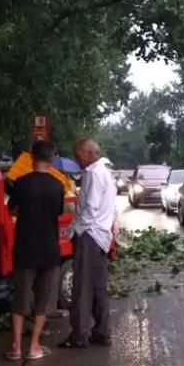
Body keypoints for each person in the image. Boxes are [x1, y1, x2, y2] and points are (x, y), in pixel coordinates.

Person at [5, 140, 64, 361]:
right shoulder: (57, 186)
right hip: (49, 249)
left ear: (31, 157)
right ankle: (34, 347)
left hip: (24, 248)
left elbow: (12, 209)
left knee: (20, 299)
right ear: (51, 159)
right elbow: (57, 212)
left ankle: (16, 347)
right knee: (42, 300)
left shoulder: (20, 183)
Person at [59, 138, 116, 349]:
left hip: (90, 235)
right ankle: (102, 331)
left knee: (82, 288)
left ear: (88, 152)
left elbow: (89, 209)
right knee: (99, 287)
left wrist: (76, 231)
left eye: (78, 154)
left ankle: (79, 334)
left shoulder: (93, 174)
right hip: (101, 237)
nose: (76, 159)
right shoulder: (106, 173)